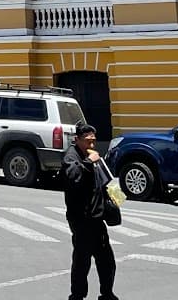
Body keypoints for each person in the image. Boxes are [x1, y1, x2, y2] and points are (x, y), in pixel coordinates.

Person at [62, 124, 118, 300]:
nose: (92, 145)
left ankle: (107, 293)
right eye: (87, 141)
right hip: (81, 219)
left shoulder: (93, 156)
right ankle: (77, 295)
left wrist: (118, 198)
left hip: (97, 218)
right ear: (77, 140)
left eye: (93, 141)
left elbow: (105, 179)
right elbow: (73, 177)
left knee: (107, 260)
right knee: (82, 260)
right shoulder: (71, 157)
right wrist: (89, 162)